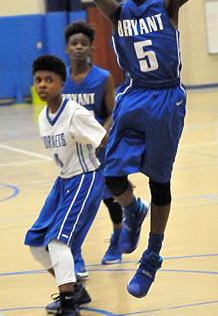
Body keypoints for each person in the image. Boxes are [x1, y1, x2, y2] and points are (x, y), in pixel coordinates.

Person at [92, 0, 207, 298]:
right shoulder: (117, 12)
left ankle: (152, 257)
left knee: (160, 183)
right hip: (135, 94)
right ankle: (132, 211)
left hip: (166, 99)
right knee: (111, 175)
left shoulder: (167, 5)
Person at [24, 55, 107, 316]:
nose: (42, 85)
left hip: (85, 178)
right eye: (38, 80)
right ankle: (76, 289)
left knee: (59, 242)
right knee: (37, 242)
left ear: (62, 83)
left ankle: (69, 304)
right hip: (63, 182)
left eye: (49, 80)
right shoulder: (42, 117)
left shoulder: (75, 113)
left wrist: (118, 176)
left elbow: (104, 139)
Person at [61, 20, 123, 279]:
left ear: (91, 48)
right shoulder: (60, 78)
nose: (78, 47)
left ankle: (118, 238)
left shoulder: (103, 78)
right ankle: (76, 256)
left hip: (98, 151)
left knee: (109, 197)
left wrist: (103, 133)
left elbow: (111, 112)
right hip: (72, 153)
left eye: (83, 44)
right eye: (73, 43)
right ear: (66, 48)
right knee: (77, 206)